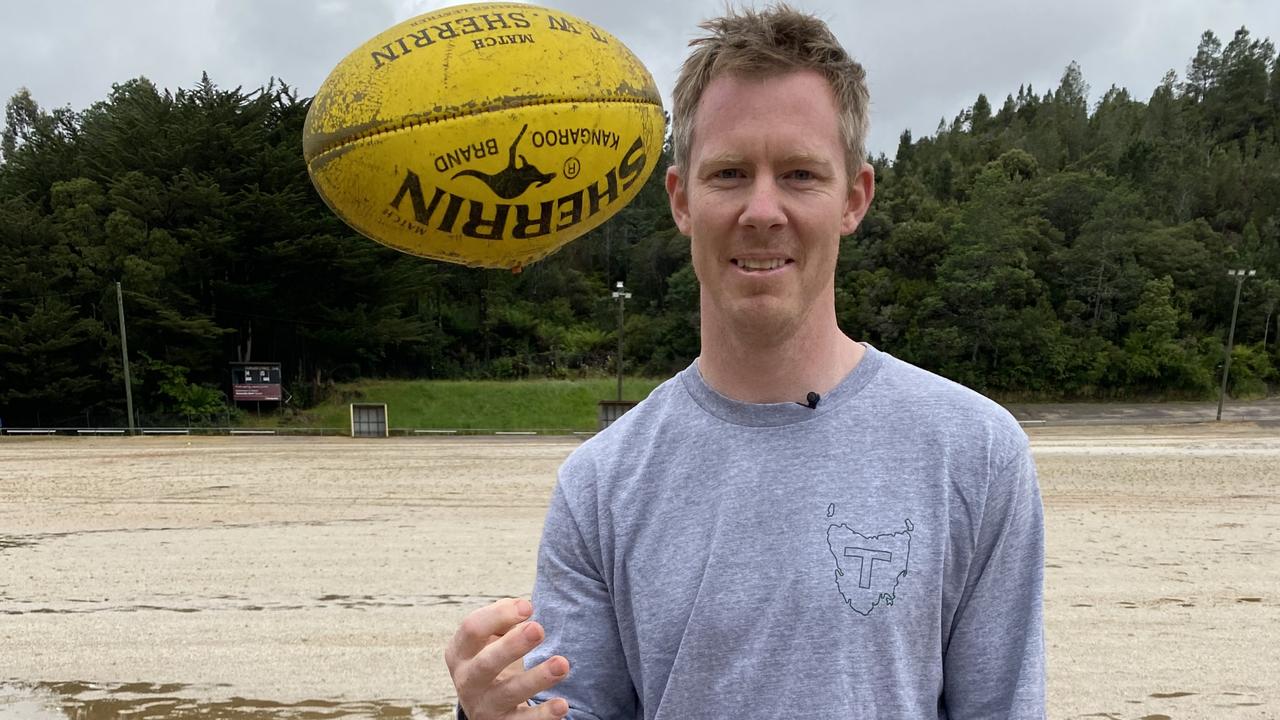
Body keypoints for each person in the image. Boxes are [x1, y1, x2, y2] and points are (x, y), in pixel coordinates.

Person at [445, 5, 1045, 718]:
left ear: (854, 198)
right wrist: (490, 713)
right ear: (681, 199)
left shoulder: (974, 453)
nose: (762, 210)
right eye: (729, 173)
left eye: (799, 174)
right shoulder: (600, 486)